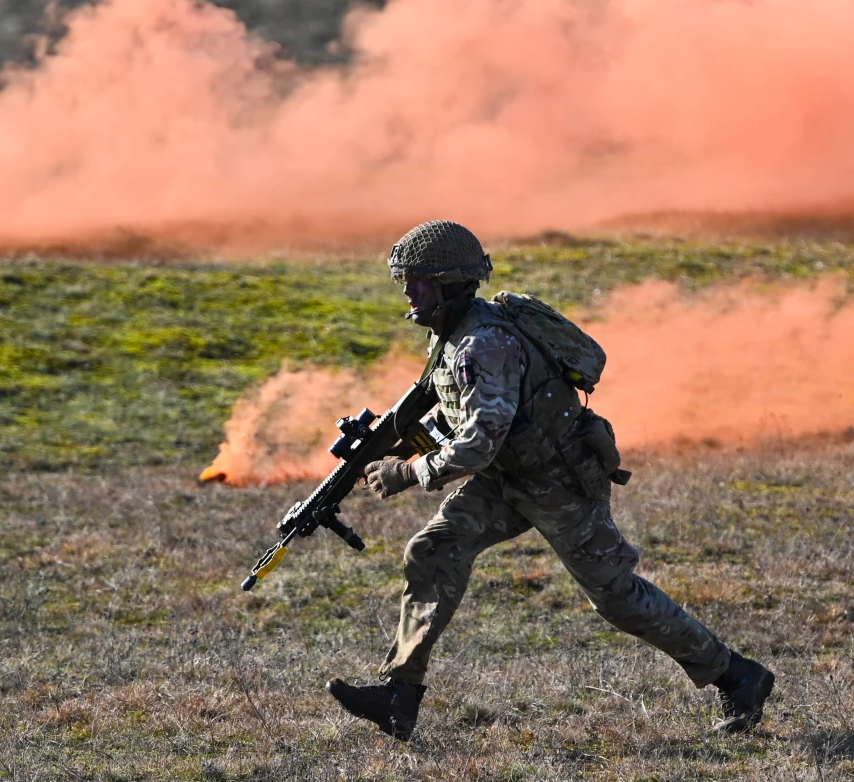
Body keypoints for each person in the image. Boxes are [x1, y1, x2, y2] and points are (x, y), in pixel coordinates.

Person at [326, 220, 773, 741]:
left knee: (617, 597)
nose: (408, 291)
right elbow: (468, 416)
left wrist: (408, 471)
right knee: (433, 551)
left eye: (418, 281)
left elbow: (477, 444)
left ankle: (739, 677)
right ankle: (399, 695)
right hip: (508, 476)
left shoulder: (481, 344)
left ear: (449, 285)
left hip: (558, 479)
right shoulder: (453, 334)